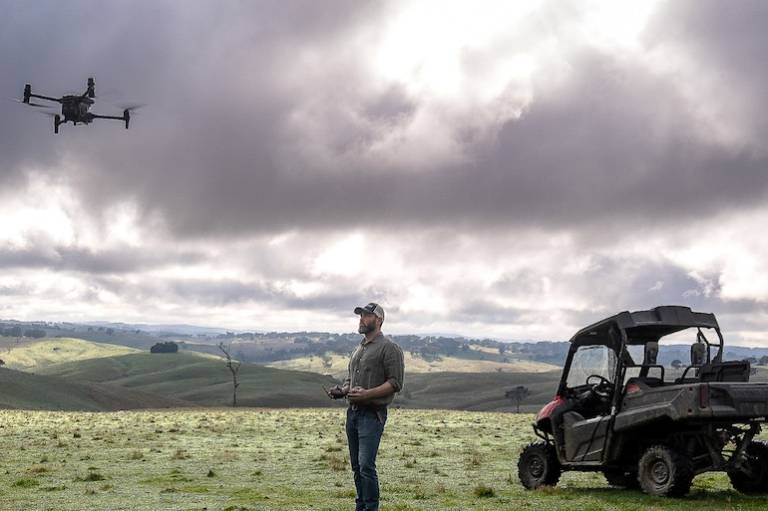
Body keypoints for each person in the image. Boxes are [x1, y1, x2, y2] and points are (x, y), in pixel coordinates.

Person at [326, 302, 404, 511]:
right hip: (353, 414)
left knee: (366, 466)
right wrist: (343, 390)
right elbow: (350, 378)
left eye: (367, 315)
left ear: (379, 320)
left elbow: (396, 383)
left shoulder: (389, 348)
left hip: (372, 415)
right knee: (356, 467)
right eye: (360, 315)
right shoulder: (359, 348)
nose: (361, 319)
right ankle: (360, 507)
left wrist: (367, 394)